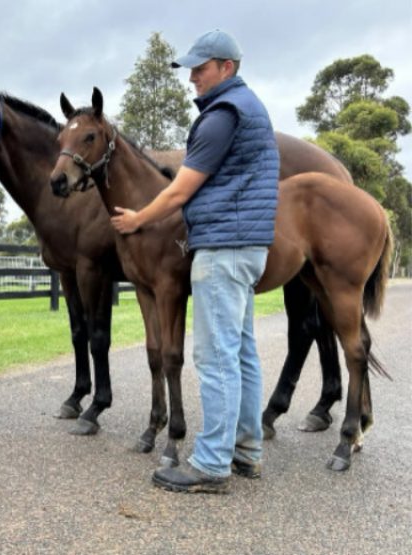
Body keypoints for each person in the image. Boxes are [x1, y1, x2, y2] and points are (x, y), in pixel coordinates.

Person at [111, 30, 279, 493]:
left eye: (200, 69)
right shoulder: (248, 108)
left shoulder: (223, 115)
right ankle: (246, 449)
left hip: (224, 248)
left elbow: (182, 188)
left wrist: (139, 219)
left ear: (226, 67)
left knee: (215, 355)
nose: (192, 78)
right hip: (247, 246)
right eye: (191, 69)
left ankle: (210, 464)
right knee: (241, 351)